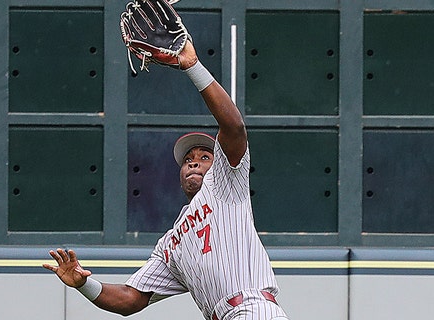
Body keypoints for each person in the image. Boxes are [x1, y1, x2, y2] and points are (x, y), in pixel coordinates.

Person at [43, 39, 289, 320]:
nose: (193, 160)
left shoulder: (224, 186)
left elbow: (233, 127)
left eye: (204, 156)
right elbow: (131, 299)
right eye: (187, 159)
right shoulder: (172, 243)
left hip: (253, 309)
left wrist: (193, 67)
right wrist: (83, 283)